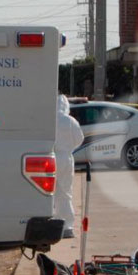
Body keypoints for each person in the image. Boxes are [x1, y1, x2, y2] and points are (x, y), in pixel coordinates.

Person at [53, 95, 85, 238]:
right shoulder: (71, 121)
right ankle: (67, 226)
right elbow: (80, 139)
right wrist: (69, 147)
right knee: (65, 193)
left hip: (50, 158)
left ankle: (52, 222)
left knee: (50, 192)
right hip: (65, 158)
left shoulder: (48, 119)